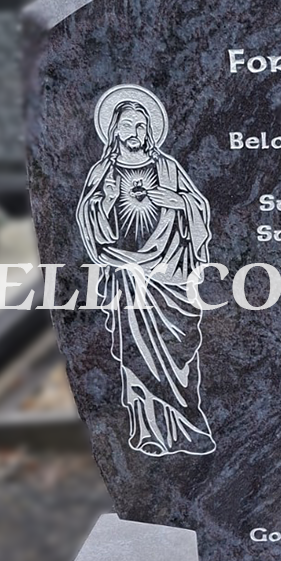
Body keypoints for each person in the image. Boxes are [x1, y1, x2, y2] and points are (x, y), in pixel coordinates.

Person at [76, 88, 217, 457]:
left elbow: (198, 207)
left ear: (150, 130)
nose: (135, 132)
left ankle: (186, 427)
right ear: (114, 130)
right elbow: (89, 220)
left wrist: (179, 202)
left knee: (179, 351)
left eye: (141, 126)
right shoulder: (103, 172)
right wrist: (107, 200)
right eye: (127, 126)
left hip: (171, 275)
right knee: (137, 355)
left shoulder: (167, 168)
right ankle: (149, 432)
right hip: (128, 277)